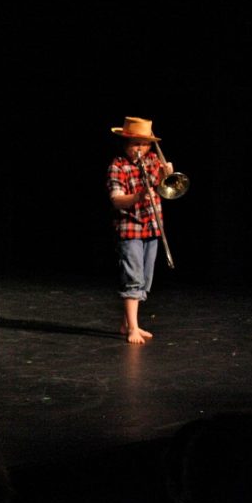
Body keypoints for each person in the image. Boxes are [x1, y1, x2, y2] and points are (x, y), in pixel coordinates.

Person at [107, 117, 174, 345]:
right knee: (133, 277)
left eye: (145, 144)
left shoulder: (154, 160)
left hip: (152, 225)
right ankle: (132, 328)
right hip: (130, 227)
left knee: (145, 279)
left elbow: (165, 190)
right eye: (136, 144)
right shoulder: (118, 165)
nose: (141, 149)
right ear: (125, 144)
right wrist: (138, 196)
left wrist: (166, 175)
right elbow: (116, 200)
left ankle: (128, 321)